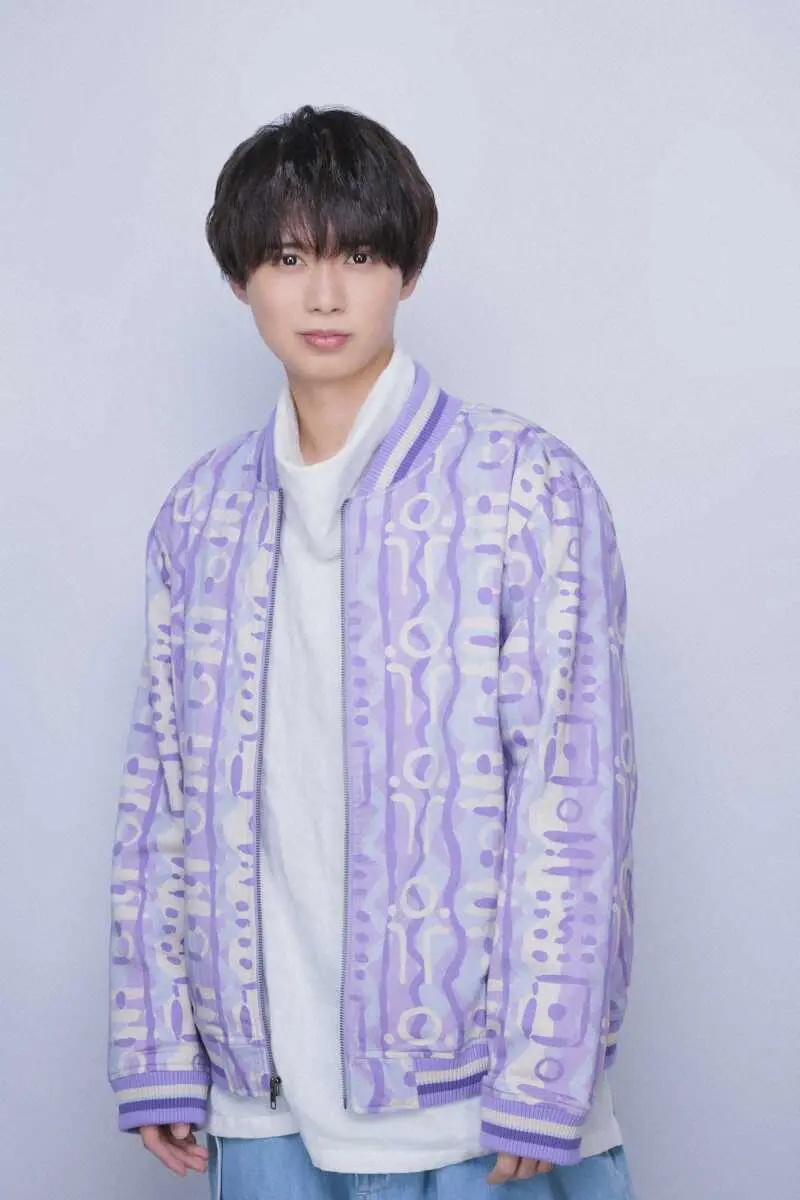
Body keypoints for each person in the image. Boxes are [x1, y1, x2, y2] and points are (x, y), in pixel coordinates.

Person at [106, 103, 638, 1199]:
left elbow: (572, 794)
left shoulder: (523, 489)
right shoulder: (198, 517)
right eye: (287, 257)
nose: (324, 294)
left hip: (475, 1111)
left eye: (357, 255)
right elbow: (161, 796)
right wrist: (157, 1046)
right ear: (241, 279)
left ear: (406, 269)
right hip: (264, 1106)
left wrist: (545, 1075)